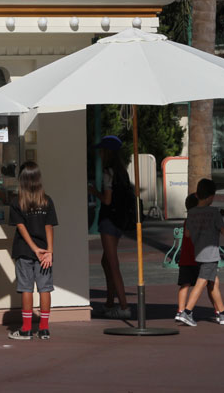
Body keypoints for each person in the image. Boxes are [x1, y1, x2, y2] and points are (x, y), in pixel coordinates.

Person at [8, 161, 58, 340]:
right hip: (45, 252)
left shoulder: (16, 202)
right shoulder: (46, 200)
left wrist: (34, 249)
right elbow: (49, 227)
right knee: (45, 289)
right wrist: (49, 251)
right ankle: (44, 329)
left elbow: (22, 228)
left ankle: (26, 329)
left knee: (26, 288)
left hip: (24, 250)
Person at [179, 178, 224, 327]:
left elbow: (187, 234)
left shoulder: (191, 213)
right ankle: (187, 311)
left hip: (198, 252)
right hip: (210, 253)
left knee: (213, 282)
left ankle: (223, 312)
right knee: (201, 282)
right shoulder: (214, 212)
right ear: (212, 196)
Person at [87, 136, 131, 319]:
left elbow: (107, 199)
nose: (99, 154)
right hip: (120, 221)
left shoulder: (108, 172)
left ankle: (123, 306)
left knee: (112, 264)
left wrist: (93, 192)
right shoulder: (123, 172)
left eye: (102, 150)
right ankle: (110, 302)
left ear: (107, 152)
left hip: (108, 222)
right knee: (106, 262)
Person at [174, 194, 224, 324]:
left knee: (185, 285)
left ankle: (180, 310)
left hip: (186, 258)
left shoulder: (188, 220)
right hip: (199, 258)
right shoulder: (199, 221)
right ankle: (219, 311)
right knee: (211, 283)